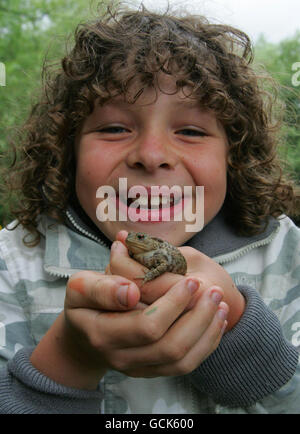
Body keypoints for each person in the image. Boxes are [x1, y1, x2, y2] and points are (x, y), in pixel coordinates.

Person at [0, 3, 299, 414]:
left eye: (191, 131)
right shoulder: (12, 262)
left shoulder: (287, 252)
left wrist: (235, 332)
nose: (152, 154)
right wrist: (70, 359)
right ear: (66, 152)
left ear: (235, 155)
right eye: (114, 128)